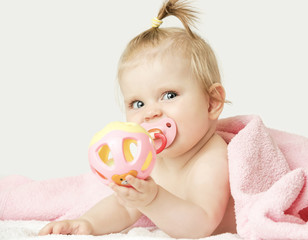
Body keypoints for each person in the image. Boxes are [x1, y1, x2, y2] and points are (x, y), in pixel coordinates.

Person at [39, 0, 236, 238]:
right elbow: (124, 205)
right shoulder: (150, 160)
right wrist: (87, 224)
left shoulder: (211, 158)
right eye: (138, 103)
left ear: (212, 102)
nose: (150, 113)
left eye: (169, 95)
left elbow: (201, 224)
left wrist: (153, 198)